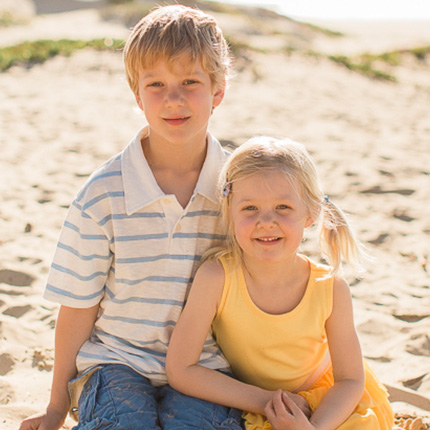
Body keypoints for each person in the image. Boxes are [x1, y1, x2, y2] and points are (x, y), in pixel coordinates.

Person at [19, 5, 244, 430]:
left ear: (218, 91)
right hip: (115, 362)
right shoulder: (102, 194)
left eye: (190, 82)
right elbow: (78, 306)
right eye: (156, 84)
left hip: (207, 365)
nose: (173, 99)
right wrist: (54, 407)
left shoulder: (236, 188)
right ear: (136, 95)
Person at [166, 136, 395, 430]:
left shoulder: (330, 286)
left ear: (310, 213)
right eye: (250, 209)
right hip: (256, 400)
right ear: (229, 211)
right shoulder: (216, 278)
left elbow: (350, 380)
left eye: (283, 207)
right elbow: (181, 369)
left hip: (327, 403)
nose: (266, 221)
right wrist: (266, 402)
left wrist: (311, 428)